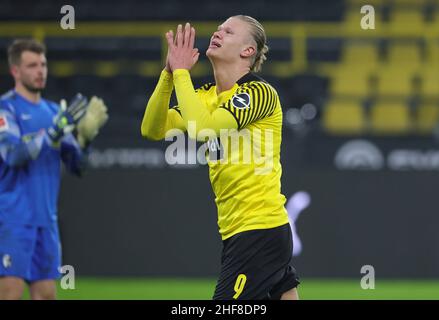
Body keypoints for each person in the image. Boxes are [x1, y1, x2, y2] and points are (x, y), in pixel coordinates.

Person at [141, 16, 299, 300]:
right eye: (219, 28)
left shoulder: (259, 93)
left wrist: (181, 74)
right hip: (239, 231)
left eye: (229, 31)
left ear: (247, 51)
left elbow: (203, 128)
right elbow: (152, 129)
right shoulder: (205, 98)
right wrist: (168, 74)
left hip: (259, 230)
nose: (218, 32)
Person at [0, 39, 108, 300]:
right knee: (10, 294)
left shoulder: (53, 112)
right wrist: (55, 131)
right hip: (13, 220)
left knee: (46, 296)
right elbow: (13, 154)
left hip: (46, 222)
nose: (41, 71)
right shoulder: (6, 108)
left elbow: (77, 166)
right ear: (16, 71)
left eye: (44, 64)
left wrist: (85, 139)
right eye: (32, 65)